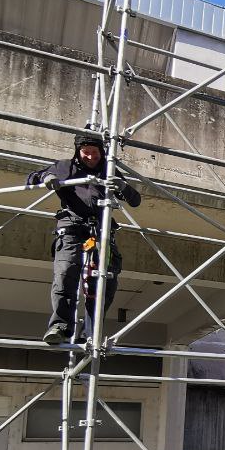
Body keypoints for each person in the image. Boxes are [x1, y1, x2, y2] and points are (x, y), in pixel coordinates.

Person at [27, 130, 141, 345]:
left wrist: (123, 187)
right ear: (78, 152)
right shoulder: (65, 167)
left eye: (95, 153)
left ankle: (92, 331)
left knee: (103, 281)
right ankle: (60, 325)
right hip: (71, 227)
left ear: (102, 152)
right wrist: (48, 178)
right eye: (86, 152)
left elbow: (135, 200)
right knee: (65, 273)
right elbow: (33, 177)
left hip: (101, 231)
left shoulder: (109, 171)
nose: (90, 157)